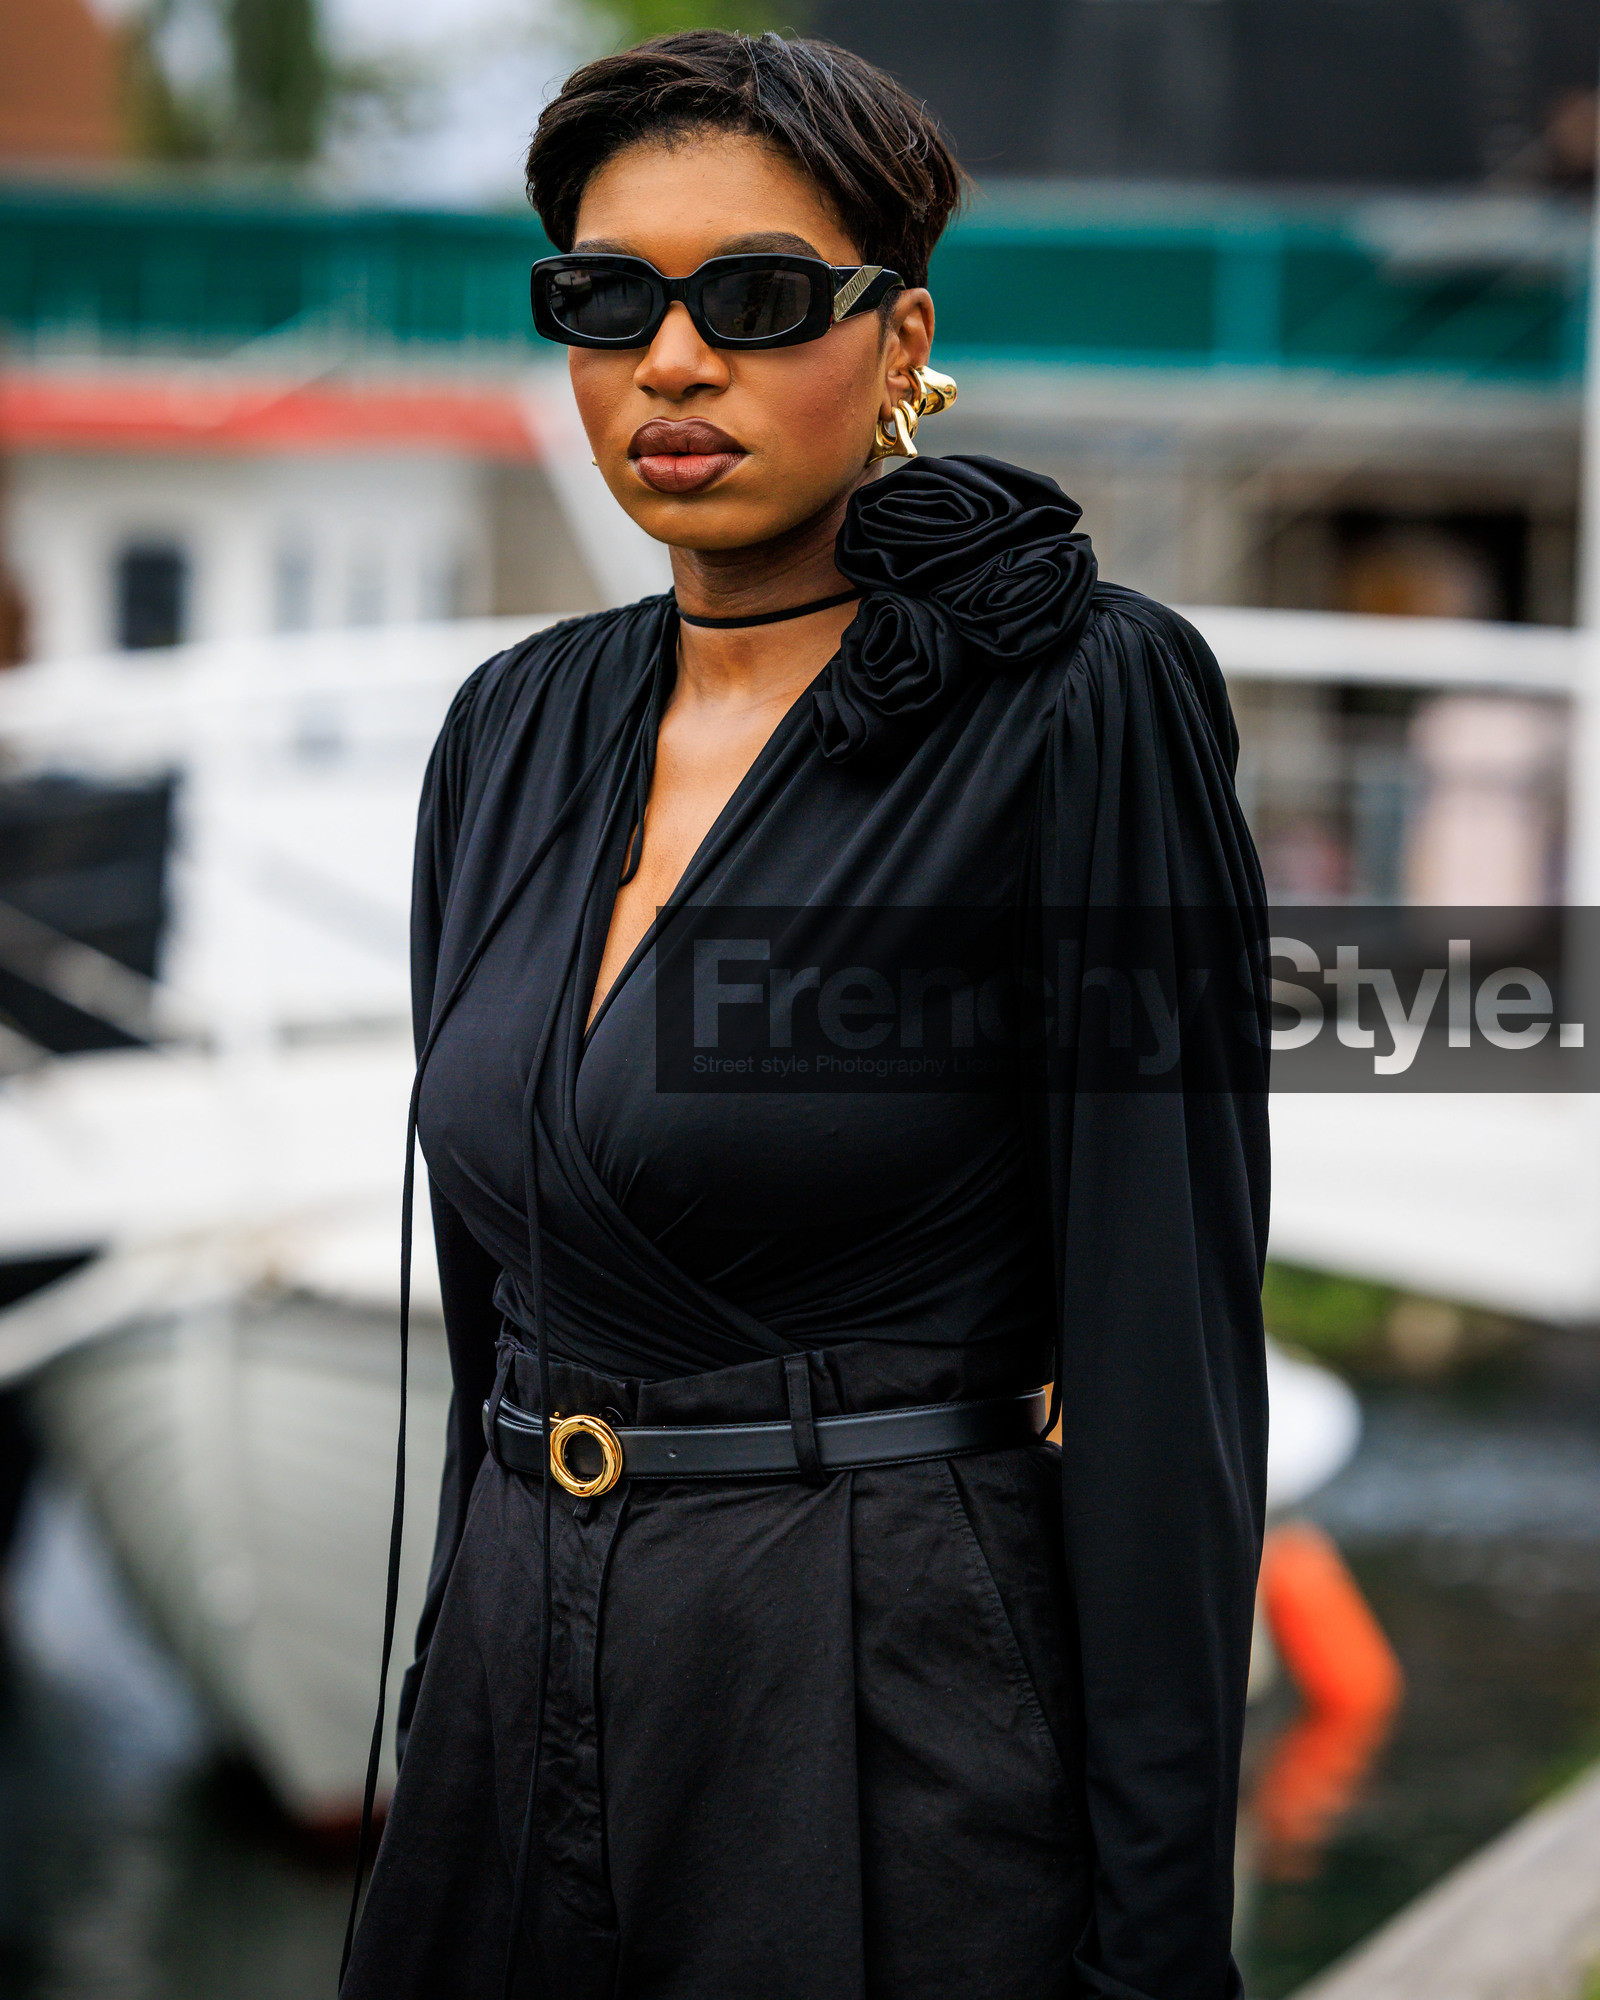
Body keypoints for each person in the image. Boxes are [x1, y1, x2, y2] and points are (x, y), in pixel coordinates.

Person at [340, 29, 1268, 2000]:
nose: (671, 363)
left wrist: (1156, 1945)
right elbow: (497, 1300)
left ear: (900, 336)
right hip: (517, 1687)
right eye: (605, 301)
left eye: (754, 300)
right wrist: (450, 1711)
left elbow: (1163, 1363)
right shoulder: (507, 729)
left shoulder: (1077, 705)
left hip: (873, 1686)